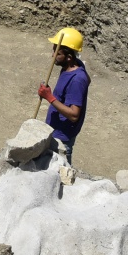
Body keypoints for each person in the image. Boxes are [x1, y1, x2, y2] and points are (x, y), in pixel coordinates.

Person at [35, 26, 89, 159]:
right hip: (55, 130)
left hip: (62, 138)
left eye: (57, 53)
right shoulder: (72, 66)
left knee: (62, 172)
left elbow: (74, 115)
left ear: (69, 57)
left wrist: (49, 97)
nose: (53, 56)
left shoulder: (77, 80)